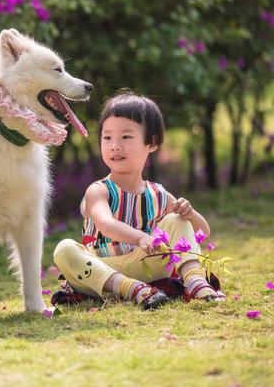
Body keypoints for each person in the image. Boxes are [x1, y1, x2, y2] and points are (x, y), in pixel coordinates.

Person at [53, 91, 226, 309]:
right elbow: (106, 224)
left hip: (146, 265)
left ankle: (195, 281)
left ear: (152, 142)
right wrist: (141, 238)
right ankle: (130, 288)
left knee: (177, 219)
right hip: (103, 270)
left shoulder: (159, 195)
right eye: (107, 137)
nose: (115, 145)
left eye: (126, 137)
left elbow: (202, 234)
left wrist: (189, 214)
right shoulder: (99, 191)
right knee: (64, 249)